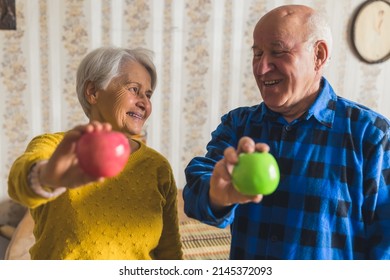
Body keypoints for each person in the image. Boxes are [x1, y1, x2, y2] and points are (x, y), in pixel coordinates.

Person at [183, 4, 390, 259]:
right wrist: (216, 194)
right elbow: (195, 189)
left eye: (277, 52)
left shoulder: (371, 135)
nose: (261, 68)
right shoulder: (238, 125)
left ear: (319, 55)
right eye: (257, 54)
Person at [8, 46, 183, 260]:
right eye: (133, 89)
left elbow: (170, 253)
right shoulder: (54, 147)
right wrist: (46, 177)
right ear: (92, 92)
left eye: (148, 94)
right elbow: (19, 183)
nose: (144, 103)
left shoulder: (158, 166)